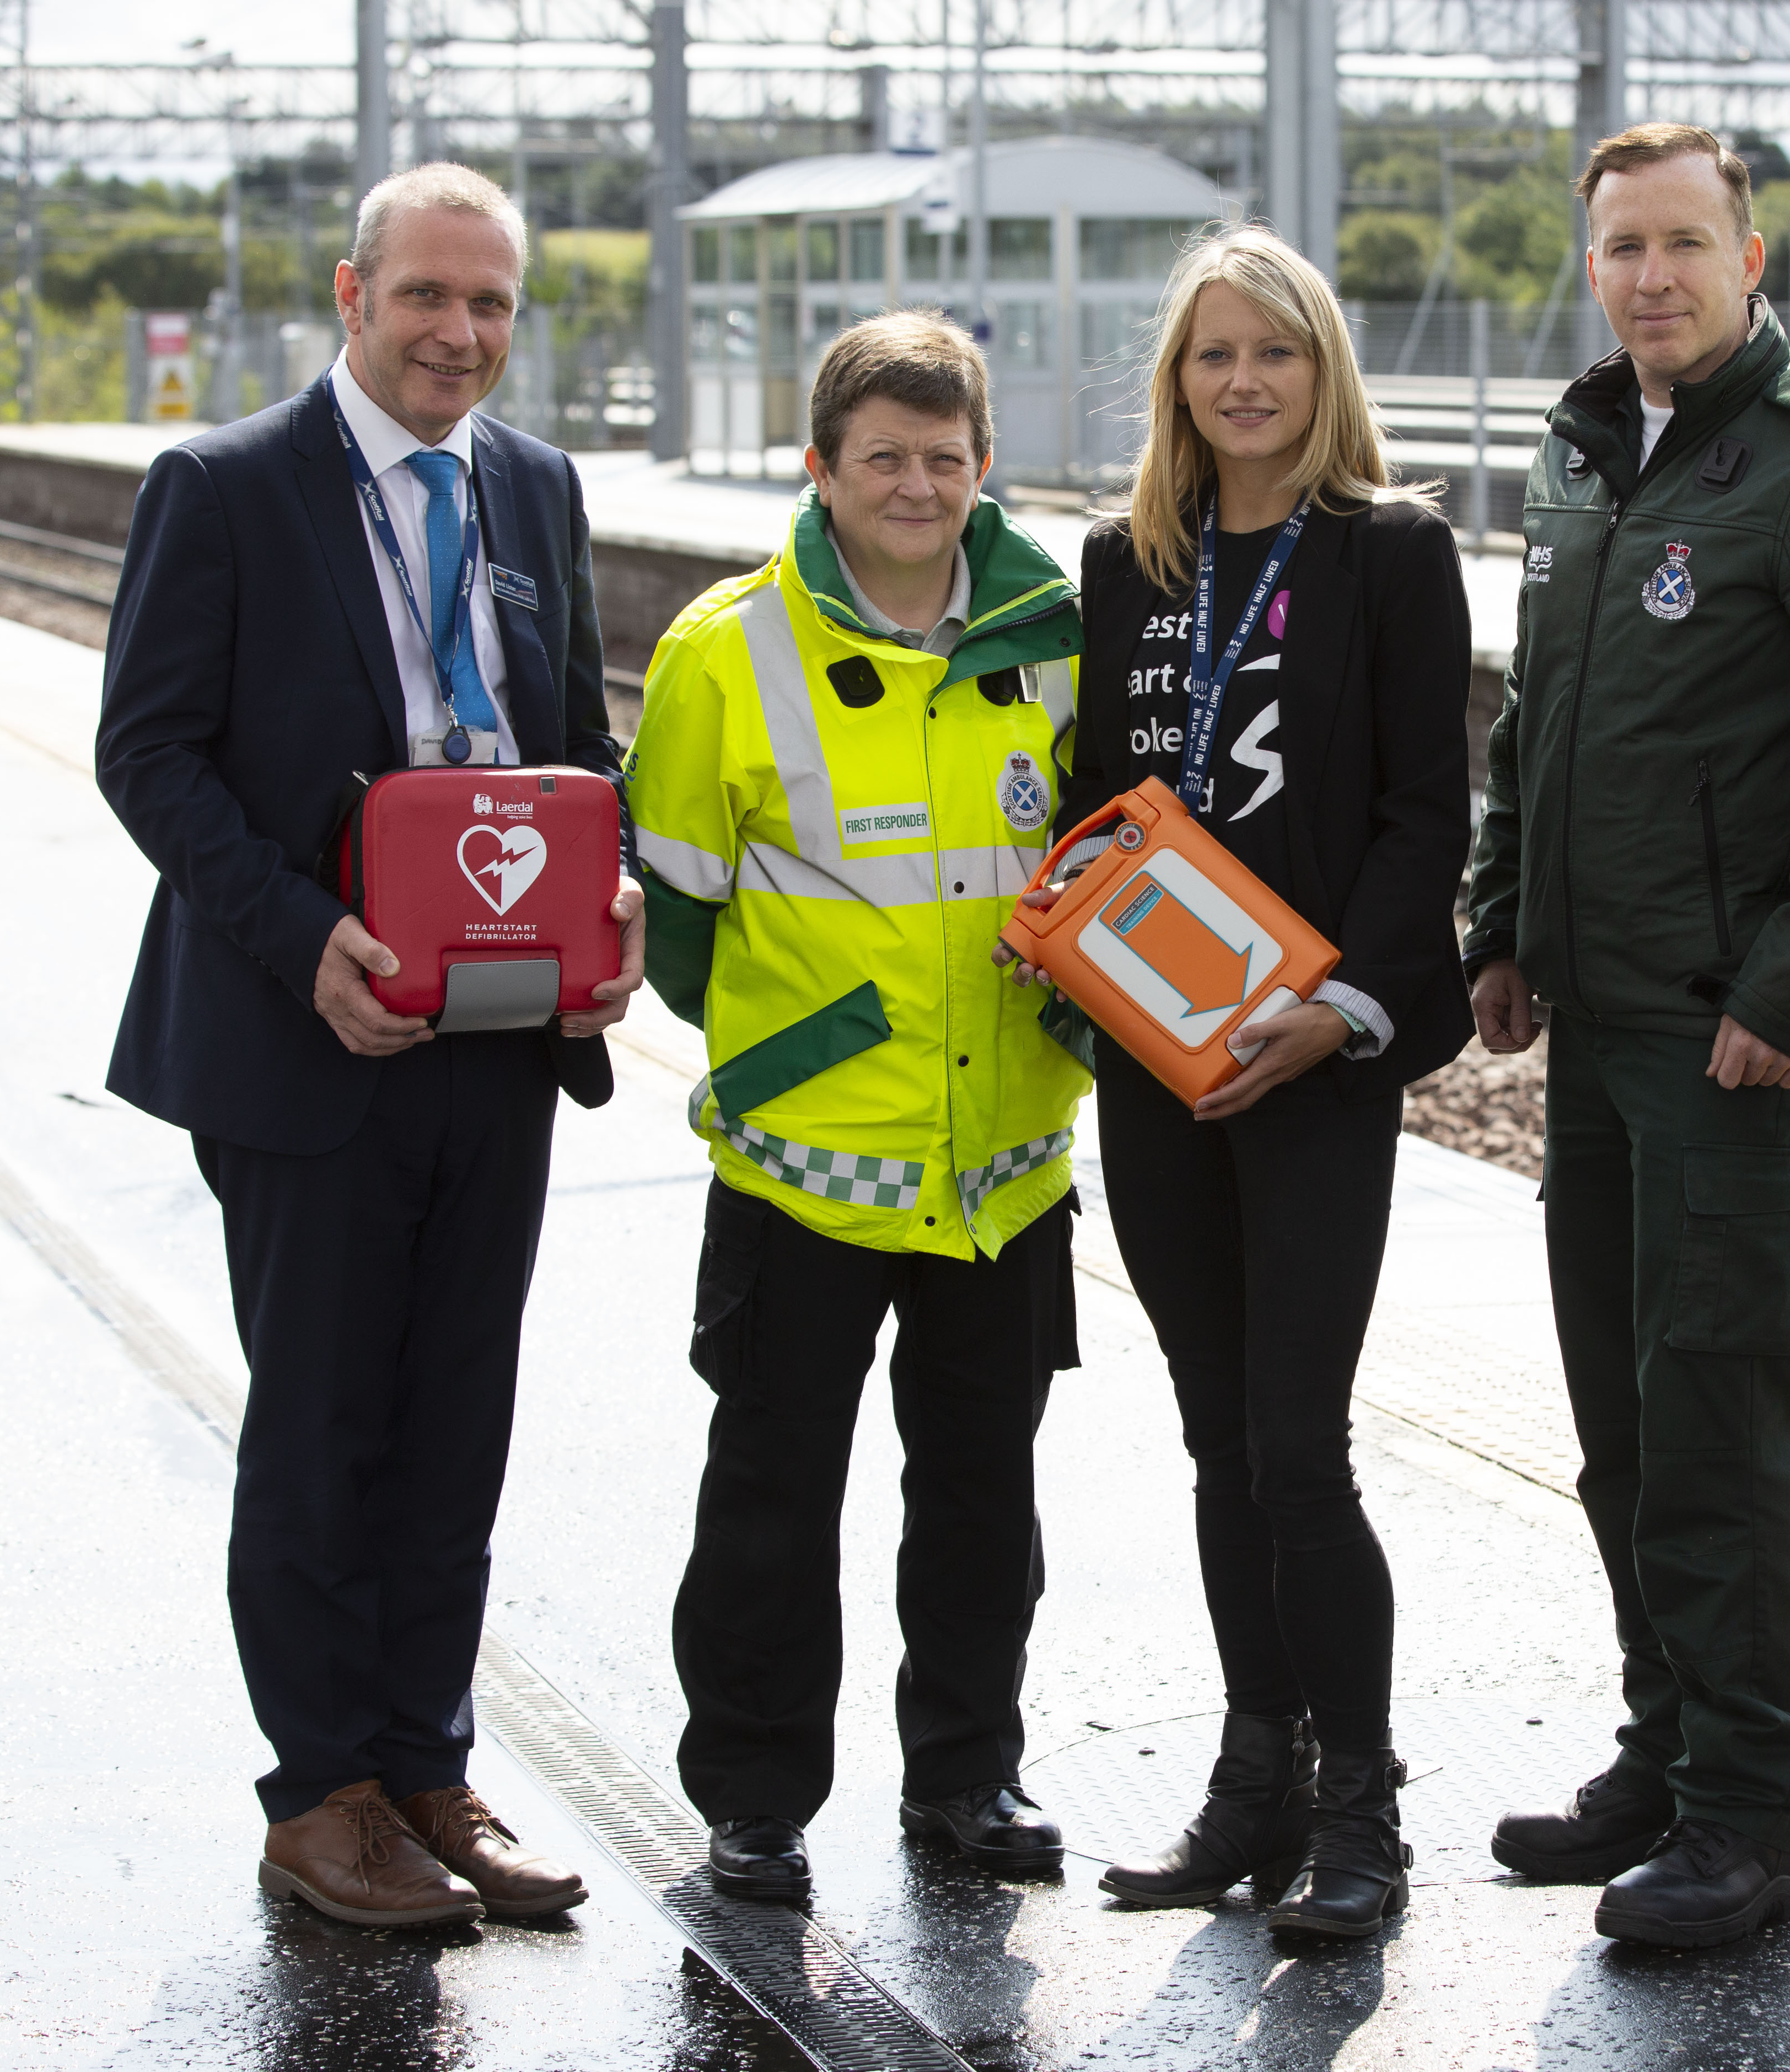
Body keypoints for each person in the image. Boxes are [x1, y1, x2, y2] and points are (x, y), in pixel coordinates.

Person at [95, 162, 643, 1928]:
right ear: (352, 295)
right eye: (426, 295)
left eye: (489, 304)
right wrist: (302, 939)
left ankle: (425, 1766)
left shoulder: (534, 487)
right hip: (307, 1029)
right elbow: (148, 754)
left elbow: (573, 745)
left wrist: (609, 898)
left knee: (455, 1419)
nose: (457, 334)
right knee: (325, 1421)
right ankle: (319, 1792)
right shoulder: (224, 487)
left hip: (499, 1031)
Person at [1464, 124, 1790, 1948]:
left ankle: (1752, 1814)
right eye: (1620, 247)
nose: (1649, 276)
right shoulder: (1584, 452)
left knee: (1718, 1421)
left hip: (1731, 1035)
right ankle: (1665, 1755)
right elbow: (1535, 715)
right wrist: (1500, 926)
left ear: (1750, 260)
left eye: (1682, 243)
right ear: (1590, 265)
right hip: (1598, 1018)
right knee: (1620, 1418)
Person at [1014, 226, 1472, 1938]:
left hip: (1313, 1059)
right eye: (1214, 353)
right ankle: (1252, 1780)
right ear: (1177, 380)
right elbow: (1097, 797)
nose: (1244, 381)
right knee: (1217, 1439)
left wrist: (1340, 1007)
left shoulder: (1390, 552)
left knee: (1298, 1446)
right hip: (1162, 1063)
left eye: (1273, 351)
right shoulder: (1125, 561)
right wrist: (1059, 923)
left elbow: (1426, 812)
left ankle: (1362, 1809)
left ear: (1320, 370)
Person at [627, 311, 1088, 1905]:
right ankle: (755, 1797)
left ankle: (967, 1775)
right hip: (805, 1169)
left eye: (943, 458)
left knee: (982, 1499)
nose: (915, 486)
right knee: (771, 1495)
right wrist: (808, 1047)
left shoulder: (1054, 636)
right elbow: (677, 923)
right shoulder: (723, 653)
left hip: (1002, 1168)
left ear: (983, 466)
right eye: (882, 457)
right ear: (820, 468)